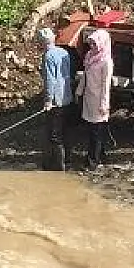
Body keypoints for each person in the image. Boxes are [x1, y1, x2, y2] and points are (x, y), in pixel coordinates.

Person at [38, 28, 75, 171]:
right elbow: (68, 74)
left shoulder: (48, 56)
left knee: (54, 134)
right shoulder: (63, 52)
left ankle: (58, 167)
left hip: (56, 101)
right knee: (65, 130)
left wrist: (48, 101)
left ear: (41, 43)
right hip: (67, 97)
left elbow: (50, 80)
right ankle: (68, 160)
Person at [77, 29, 114, 167]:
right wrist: (79, 91)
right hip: (88, 97)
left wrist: (104, 104)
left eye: (95, 44)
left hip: (98, 100)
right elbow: (85, 75)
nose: (92, 47)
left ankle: (94, 159)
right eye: (91, 44)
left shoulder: (106, 62)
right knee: (92, 128)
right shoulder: (89, 56)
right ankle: (99, 155)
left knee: (97, 130)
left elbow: (106, 85)